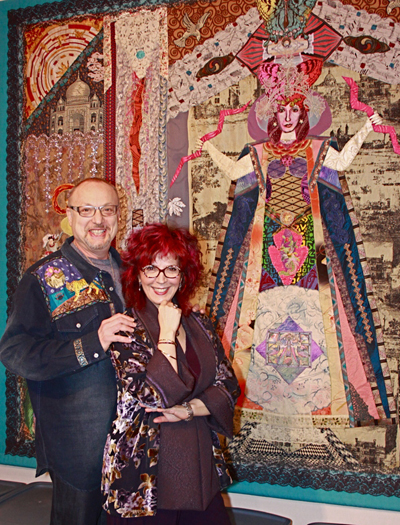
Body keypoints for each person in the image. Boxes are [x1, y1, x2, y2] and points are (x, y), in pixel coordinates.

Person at [197, 58, 395, 428]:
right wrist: (207, 146)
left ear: (303, 114)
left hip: (311, 244)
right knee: (257, 316)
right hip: (266, 247)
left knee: (321, 315)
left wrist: (368, 126)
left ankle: (325, 399)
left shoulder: (319, 148)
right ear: (273, 115)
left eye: (294, 110)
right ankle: (252, 397)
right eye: (282, 110)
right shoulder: (258, 152)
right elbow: (234, 171)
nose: (288, 117)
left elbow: (343, 161)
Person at [0, 178, 137, 525]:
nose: (98, 220)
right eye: (87, 210)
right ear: (70, 216)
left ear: (118, 216)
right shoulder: (44, 278)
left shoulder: (135, 274)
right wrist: (92, 343)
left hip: (134, 444)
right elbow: (14, 351)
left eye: (107, 210)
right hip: (79, 449)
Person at [101, 223, 240, 524]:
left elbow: (228, 385)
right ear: (137, 274)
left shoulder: (199, 323)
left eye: (171, 269)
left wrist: (188, 410)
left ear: (183, 275)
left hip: (197, 461)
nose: (161, 279)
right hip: (144, 474)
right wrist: (166, 332)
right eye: (151, 268)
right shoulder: (125, 328)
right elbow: (155, 395)